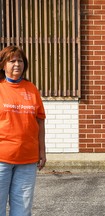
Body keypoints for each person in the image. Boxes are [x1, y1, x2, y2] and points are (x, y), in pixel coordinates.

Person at [0, 46, 46, 216]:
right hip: (1, 158)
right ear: (3, 65)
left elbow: (39, 122)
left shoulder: (31, 89)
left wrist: (42, 150)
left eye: (20, 61)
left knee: (23, 208)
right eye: (12, 61)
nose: (17, 64)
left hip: (27, 158)